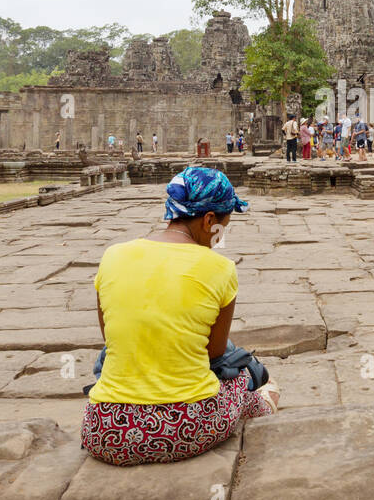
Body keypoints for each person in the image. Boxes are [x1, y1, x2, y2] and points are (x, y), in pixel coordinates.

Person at [81, 168, 278, 466]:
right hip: (187, 428)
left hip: (106, 431)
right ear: (209, 220)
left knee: (112, 355)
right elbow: (213, 353)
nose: (220, 236)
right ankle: (264, 398)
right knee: (239, 369)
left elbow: (109, 339)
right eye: (223, 226)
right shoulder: (220, 268)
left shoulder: (113, 255)